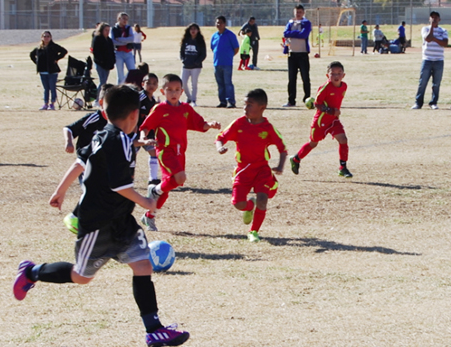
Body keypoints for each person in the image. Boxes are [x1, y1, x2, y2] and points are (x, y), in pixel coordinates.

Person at [12, 84, 190, 347]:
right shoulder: (114, 139)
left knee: (143, 266)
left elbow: (79, 163)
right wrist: (146, 201)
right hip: (97, 224)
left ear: (106, 114)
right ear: (134, 116)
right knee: (82, 276)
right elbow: (118, 185)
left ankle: (154, 330)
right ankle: (32, 272)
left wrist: (59, 191)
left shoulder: (109, 135)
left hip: (121, 220)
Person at [138, 74, 220, 231]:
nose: (173, 93)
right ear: (163, 91)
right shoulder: (160, 109)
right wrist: (144, 138)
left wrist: (210, 125)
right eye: (169, 90)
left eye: (176, 90)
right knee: (179, 177)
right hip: (165, 151)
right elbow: (145, 126)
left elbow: (200, 124)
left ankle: (149, 217)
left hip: (180, 152)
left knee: (169, 188)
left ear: (182, 91)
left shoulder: (186, 109)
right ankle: (154, 190)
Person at [216, 88, 287, 243]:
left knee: (263, 199)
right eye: (244, 104)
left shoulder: (267, 128)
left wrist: (280, 166)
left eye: (249, 105)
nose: (245, 108)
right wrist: (220, 147)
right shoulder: (239, 124)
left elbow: (282, 149)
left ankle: (253, 231)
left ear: (262, 108)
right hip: (243, 170)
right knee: (238, 203)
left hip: (262, 170)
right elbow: (220, 137)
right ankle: (249, 207)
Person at [289, 61, 352, 178]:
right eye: (333, 74)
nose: (336, 76)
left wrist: (334, 113)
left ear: (343, 75)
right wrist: (330, 111)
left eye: (339, 73)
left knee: (343, 139)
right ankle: (296, 158)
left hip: (333, 120)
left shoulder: (344, 86)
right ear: (327, 75)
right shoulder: (325, 88)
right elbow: (317, 103)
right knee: (313, 143)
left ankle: (343, 167)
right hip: (321, 121)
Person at [411, 11, 448, 110]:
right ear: (429, 19)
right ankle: (418, 102)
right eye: (432, 17)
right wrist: (432, 27)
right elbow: (427, 38)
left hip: (438, 60)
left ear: (439, 19)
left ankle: (433, 102)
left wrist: (434, 39)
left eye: (436, 17)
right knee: (422, 82)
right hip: (427, 59)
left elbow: (445, 43)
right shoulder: (425, 29)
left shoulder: (443, 30)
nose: (434, 19)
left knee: (436, 83)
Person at [29, 31, 68, 110]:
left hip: (52, 71)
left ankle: (52, 104)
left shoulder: (53, 46)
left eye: (48, 36)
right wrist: (37, 63)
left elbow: (64, 51)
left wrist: (57, 59)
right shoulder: (39, 48)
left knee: (52, 87)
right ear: (42, 38)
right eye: (44, 36)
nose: (46, 38)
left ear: (50, 37)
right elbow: (32, 55)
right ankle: (45, 103)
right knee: (46, 88)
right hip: (43, 71)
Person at [283, 4, 312, 107]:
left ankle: (307, 99)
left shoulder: (306, 23)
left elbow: (304, 34)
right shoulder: (290, 22)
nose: (298, 14)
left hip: (302, 54)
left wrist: (292, 33)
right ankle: (291, 100)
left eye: (300, 12)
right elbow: (285, 33)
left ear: (303, 13)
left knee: (305, 78)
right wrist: (295, 33)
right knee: (291, 79)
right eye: (296, 12)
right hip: (292, 54)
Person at [209, 15, 239, 109]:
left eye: (221, 22)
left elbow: (236, 48)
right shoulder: (214, 36)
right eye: (217, 22)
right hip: (217, 63)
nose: (219, 24)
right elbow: (212, 48)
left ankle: (231, 101)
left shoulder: (230, 35)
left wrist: (229, 56)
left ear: (224, 24)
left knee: (228, 83)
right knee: (220, 84)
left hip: (227, 63)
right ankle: (222, 101)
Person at [138, 73, 161, 186]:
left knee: (153, 152)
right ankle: (125, 178)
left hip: (148, 132)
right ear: (143, 84)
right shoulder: (140, 97)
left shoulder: (153, 101)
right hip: (135, 132)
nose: (151, 85)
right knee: (130, 155)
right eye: (148, 83)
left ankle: (153, 178)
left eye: (154, 83)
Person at [179, 23, 206, 107]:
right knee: (182, 82)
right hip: (186, 65)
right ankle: (189, 97)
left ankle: (193, 100)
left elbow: (203, 54)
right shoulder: (185, 40)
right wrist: (183, 60)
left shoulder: (200, 41)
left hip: (196, 67)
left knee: (194, 84)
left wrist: (197, 62)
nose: (193, 31)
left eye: (195, 29)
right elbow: (181, 52)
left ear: (198, 30)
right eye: (191, 29)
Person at [91, 23, 116, 101]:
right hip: (100, 63)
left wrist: (113, 61)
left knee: (104, 81)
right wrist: (101, 61)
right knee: (102, 81)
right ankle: (97, 99)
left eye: (108, 30)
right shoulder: (97, 39)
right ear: (101, 30)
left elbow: (112, 52)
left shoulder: (109, 40)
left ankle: (101, 98)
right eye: (106, 30)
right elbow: (96, 52)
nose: (107, 32)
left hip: (107, 64)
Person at [112, 12, 137, 83]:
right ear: (119, 19)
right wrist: (126, 41)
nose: (125, 20)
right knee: (120, 75)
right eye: (124, 18)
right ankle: (119, 90)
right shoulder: (114, 29)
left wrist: (120, 39)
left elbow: (132, 39)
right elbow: (113, 41)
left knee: (132, 72)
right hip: (118, 53)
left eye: (127, 19)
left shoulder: (128, 28)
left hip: (128, 53)